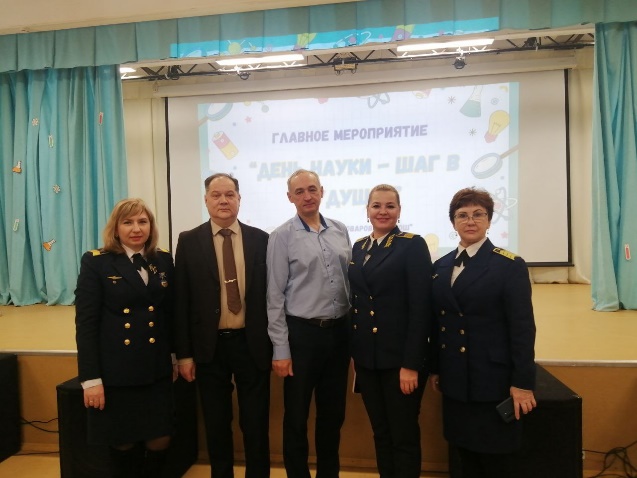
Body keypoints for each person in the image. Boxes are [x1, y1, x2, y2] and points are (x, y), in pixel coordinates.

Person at [428, 187, 537, 478]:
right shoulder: (440, 266)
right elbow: (439, 324)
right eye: (462, 215)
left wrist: (523, 383)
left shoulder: (508, 265)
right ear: (453, 222)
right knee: (464, 457)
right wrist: (436, 368)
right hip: (454, 379)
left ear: (489, 220)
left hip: (491, 380)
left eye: (478, 214)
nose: (470, 221)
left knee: (494, 459)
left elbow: (522, 328)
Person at [174, 173, 271, 478]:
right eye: (216, 195)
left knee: (255, 423)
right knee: (216, 424)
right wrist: (184, 354)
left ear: (239, 199)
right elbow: (181, 301)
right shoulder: (188, 241)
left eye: (230, 194)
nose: (223, 201)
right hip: (209, 347)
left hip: (251, 344)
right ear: (206, 200)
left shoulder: (261, 240)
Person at [75, 198, 175, 477]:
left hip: (155, 369)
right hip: (117, 372)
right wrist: (90, 379)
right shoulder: (97, 262)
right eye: (128, 222)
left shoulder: (162, 259)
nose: (136, 228)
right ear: (116, 228)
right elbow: (86, 324)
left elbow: (169, 314)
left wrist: (174, 356)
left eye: (143, 221)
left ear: (151, 226)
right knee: (123, 441)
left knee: (160, 438)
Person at [267, 169, 351, 478]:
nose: (307, 196)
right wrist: (280, 349)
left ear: (322, 191)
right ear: (290, 197)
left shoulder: (340, 230)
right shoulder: (281, 236)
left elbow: (350, 283)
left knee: (333, 415)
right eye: (300, 191)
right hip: (301, 337)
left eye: (312, 189)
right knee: (297, 416)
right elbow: (274, 296)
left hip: (339, 334)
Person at [348, 184, 433, 478]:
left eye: (390, 206)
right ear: (367, 210)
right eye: (376, 206)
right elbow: (358, 303)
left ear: (399, 210)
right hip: (368, 360)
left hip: (400, 362)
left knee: (403, 435)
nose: (382, 211)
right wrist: (356, 354)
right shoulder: (359, 247)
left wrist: (411, 364)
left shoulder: (412, 245)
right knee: (381, 432)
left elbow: (421, 309)